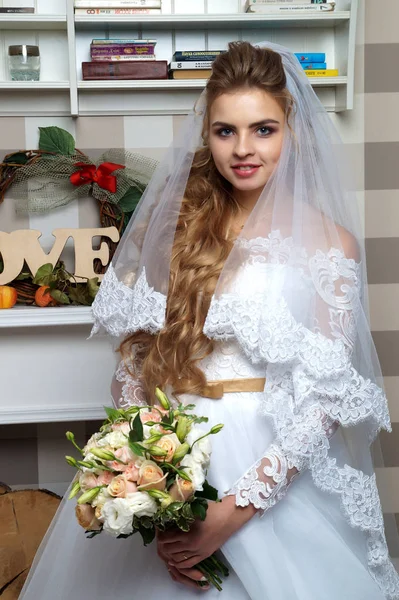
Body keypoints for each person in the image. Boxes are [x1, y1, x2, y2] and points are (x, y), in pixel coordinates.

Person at [19, 41, 399, 600]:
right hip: (169, 457)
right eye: (226, 131)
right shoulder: (170, 230)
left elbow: (324, 401)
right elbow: (134, 366)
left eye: (263, 129)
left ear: (292, 130)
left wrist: (231, 512)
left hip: (268, 462)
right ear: (207, 135)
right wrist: (151, 488)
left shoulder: (331, 243)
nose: (243, 149)